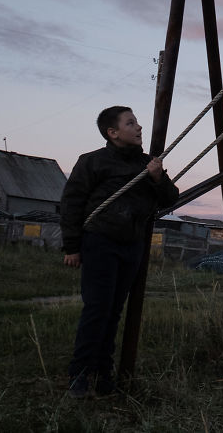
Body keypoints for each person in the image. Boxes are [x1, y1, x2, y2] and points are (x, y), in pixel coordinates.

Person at [61, 106, 179, 398]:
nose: (139, 128)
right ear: (113, 133)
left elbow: (170, 199)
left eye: (137, 122)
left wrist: (157, 177)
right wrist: (72, 247)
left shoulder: (148, 164)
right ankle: (79, 374)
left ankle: (103, 375)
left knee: (114, 312)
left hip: (132, 246)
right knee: (97, 309)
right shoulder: (93, 162)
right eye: (131, 123)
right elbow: (72, 203)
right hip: (100, 242)